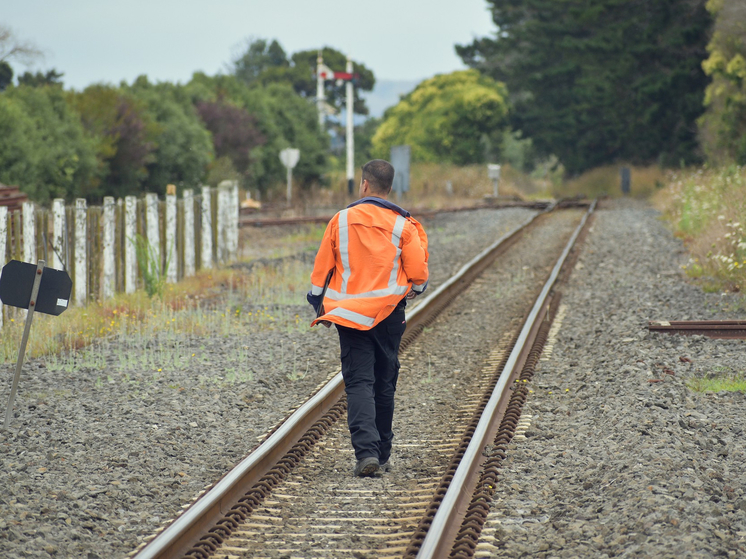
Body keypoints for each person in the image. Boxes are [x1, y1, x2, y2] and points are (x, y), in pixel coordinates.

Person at [307, 159, 429, 477]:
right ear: (389, 189)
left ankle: (366, 454)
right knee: (385, 379)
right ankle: (383, 453)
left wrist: (317, 300)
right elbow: (418, 272)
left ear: (364, 185)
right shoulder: (404, 225)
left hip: (349, 314)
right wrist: (416, 287)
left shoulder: (341, 220)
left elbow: (321, 269)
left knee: (359, 381)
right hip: (389, 314)